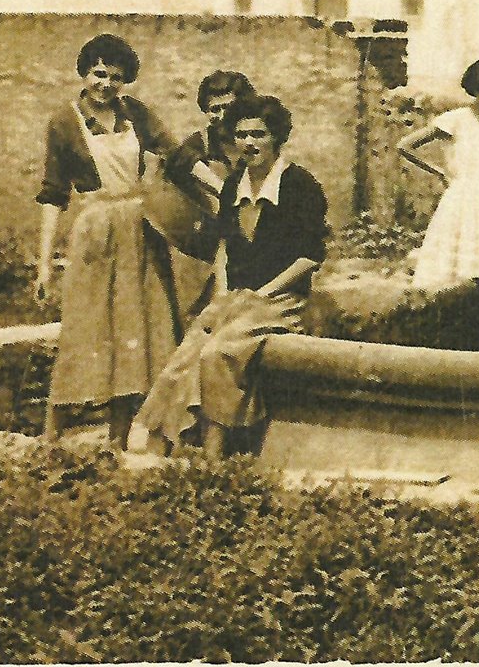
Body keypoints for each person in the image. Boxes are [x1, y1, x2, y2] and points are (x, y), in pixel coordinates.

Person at [138, 94, 329, 458]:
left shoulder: (299, 184)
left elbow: (310, 257)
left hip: (282, 300)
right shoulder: (234, 184)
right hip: (238, 295)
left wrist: (262, 294)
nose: (249, 143)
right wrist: (223, 294)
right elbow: (225, 244)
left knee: (220, 352)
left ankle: (214, 455)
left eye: (259, 134)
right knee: (190, 348)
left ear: (277, 138)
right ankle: (156, 452)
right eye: (242, 135)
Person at [35, 33, 181, 449]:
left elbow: (177, 155)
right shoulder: (64, 122)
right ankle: (51, 436)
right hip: (95, 232)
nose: (106, 84)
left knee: (136, 329)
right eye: (99, 74)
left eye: (116, 77)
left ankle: (118, 439)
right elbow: (53, 194)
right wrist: (43, 264)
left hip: (140, 231)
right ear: (85, 72)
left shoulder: (136, 114)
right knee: (84, 327)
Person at [402, 58, 479, 292]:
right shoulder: (456, 120)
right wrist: (440, 172)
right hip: (461, 198)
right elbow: (405, 145)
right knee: (452, 264)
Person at [157, 70, 256, 310]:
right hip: (204, 238)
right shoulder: (199, 144)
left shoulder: (254, 142)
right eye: (214, 109)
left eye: (228, 108)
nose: (221, 116)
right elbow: (176, 164)